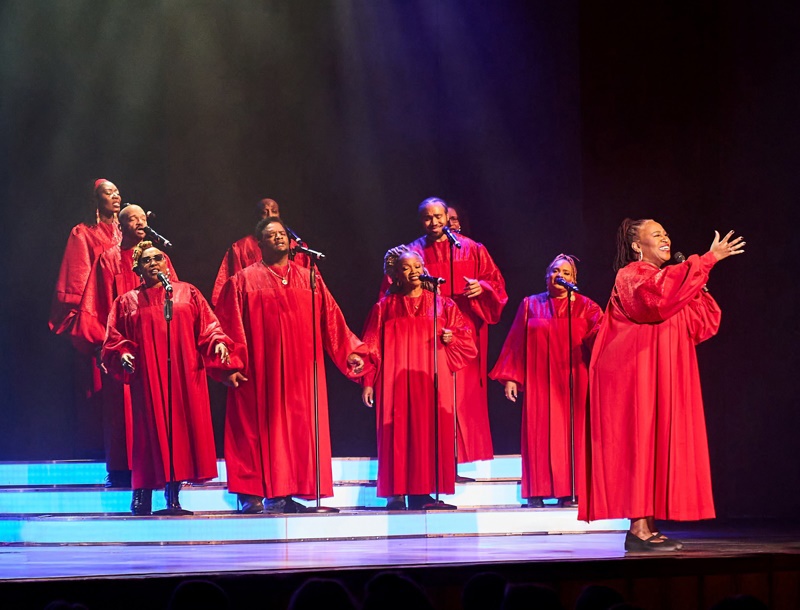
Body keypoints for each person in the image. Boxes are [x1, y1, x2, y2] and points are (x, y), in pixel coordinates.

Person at [580, 218, 745, 552]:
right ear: (637, 246)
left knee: (656, 445)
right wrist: (706, 261)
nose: (665, 238)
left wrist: (697, 282)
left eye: (666, 233)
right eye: (656, 234)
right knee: (639, 445)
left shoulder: (669, 281)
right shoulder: (632, 275)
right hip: (633, 376)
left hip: (661, 374)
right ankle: (638, 529)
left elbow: (704, 322)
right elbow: (657, 300)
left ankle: (648, 525)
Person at [214, 217, 369, 514]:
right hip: (260, 368)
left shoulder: (309, 278)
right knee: (257, 429)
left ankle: (285, 494)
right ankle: (252, 494)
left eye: (282, 234)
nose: (278, 238)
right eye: (271, 235)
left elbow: (331, 319)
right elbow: (228, 325)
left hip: (302, 369)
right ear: (259, 244)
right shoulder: (243, 280)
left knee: (299, 429)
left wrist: (350, 351)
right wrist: (229, 366)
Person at [102, 241, 235, 515]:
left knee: (180, 432)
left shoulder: (187, 292)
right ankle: (142, 493)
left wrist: (218, 342)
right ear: (138, 270)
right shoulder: (126, 301)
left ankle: (173, 496)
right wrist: (123, 353)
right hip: (148, 376)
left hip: (184, 373)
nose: (154, 263)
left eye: (158, 258)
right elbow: (114, 337)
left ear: (166, 263)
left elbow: (208, 326)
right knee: (147, 433)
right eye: (147, 260)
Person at [382, 198, 507, 476]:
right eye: (428, 218)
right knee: (431, 395)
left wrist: (482, 287)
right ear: (421, 221)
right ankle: (431, 461)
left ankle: (454, 460)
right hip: (424, 331)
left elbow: (496, 283)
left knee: (460, 396)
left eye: (439, 216)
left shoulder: (471, 248)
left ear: (447, 218)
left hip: (462, 331)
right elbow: (390, 291)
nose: (434, 222)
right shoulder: (412, 252)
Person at [71, 204, 179, 488]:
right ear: (121, 225)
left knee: (163, 405)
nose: (141, 222)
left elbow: (177, 298)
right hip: (125, 347)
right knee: (123, 409)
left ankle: (170, 469)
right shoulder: (109, 260)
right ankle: (122, 469)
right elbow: (98, 304)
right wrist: (105, 344)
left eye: (144, 218)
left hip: (158, 344)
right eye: (133, 219)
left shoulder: (159, 257)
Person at [361, 251, 477, 510]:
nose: (413, 270)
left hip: (431, 377)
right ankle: (395, 493)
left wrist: (451, 338)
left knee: (429, 431)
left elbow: (465, 338)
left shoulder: (443, 304)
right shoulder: (384, 307)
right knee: (395, 431)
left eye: (417, 265)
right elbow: (371, 346)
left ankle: (422, 493)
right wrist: (368, 380)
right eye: (406, 267)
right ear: (396, 275)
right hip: (394, 379)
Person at [490, 254, 602, 508]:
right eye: (554, 271)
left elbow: (602, 340)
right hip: (539, 380)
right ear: (546, 276)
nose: (559, 276)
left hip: (574, 380)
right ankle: (536, 491)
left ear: (574, 280)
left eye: (566, 273)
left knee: (572, 435)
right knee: (537, 434)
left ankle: (570, 491)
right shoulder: (530, 304)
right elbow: (516, 342)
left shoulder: (587, 307)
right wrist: (511, 377)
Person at [50, 179, 122, 335]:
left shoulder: (123, 234)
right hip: (98, 305)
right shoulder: (82, 233)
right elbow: (78, 276)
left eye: (117, 192)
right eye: (109, 193)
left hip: (123, 300)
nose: (116, 196)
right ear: (96, 199)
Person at [210, 198, 309, 306]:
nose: (270, 216)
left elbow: (312, 285)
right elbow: (229, 292)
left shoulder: (297, 248)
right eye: (264, 212)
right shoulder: (241, 248)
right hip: (257, 306)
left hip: (295, 305)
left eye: (274, 211)